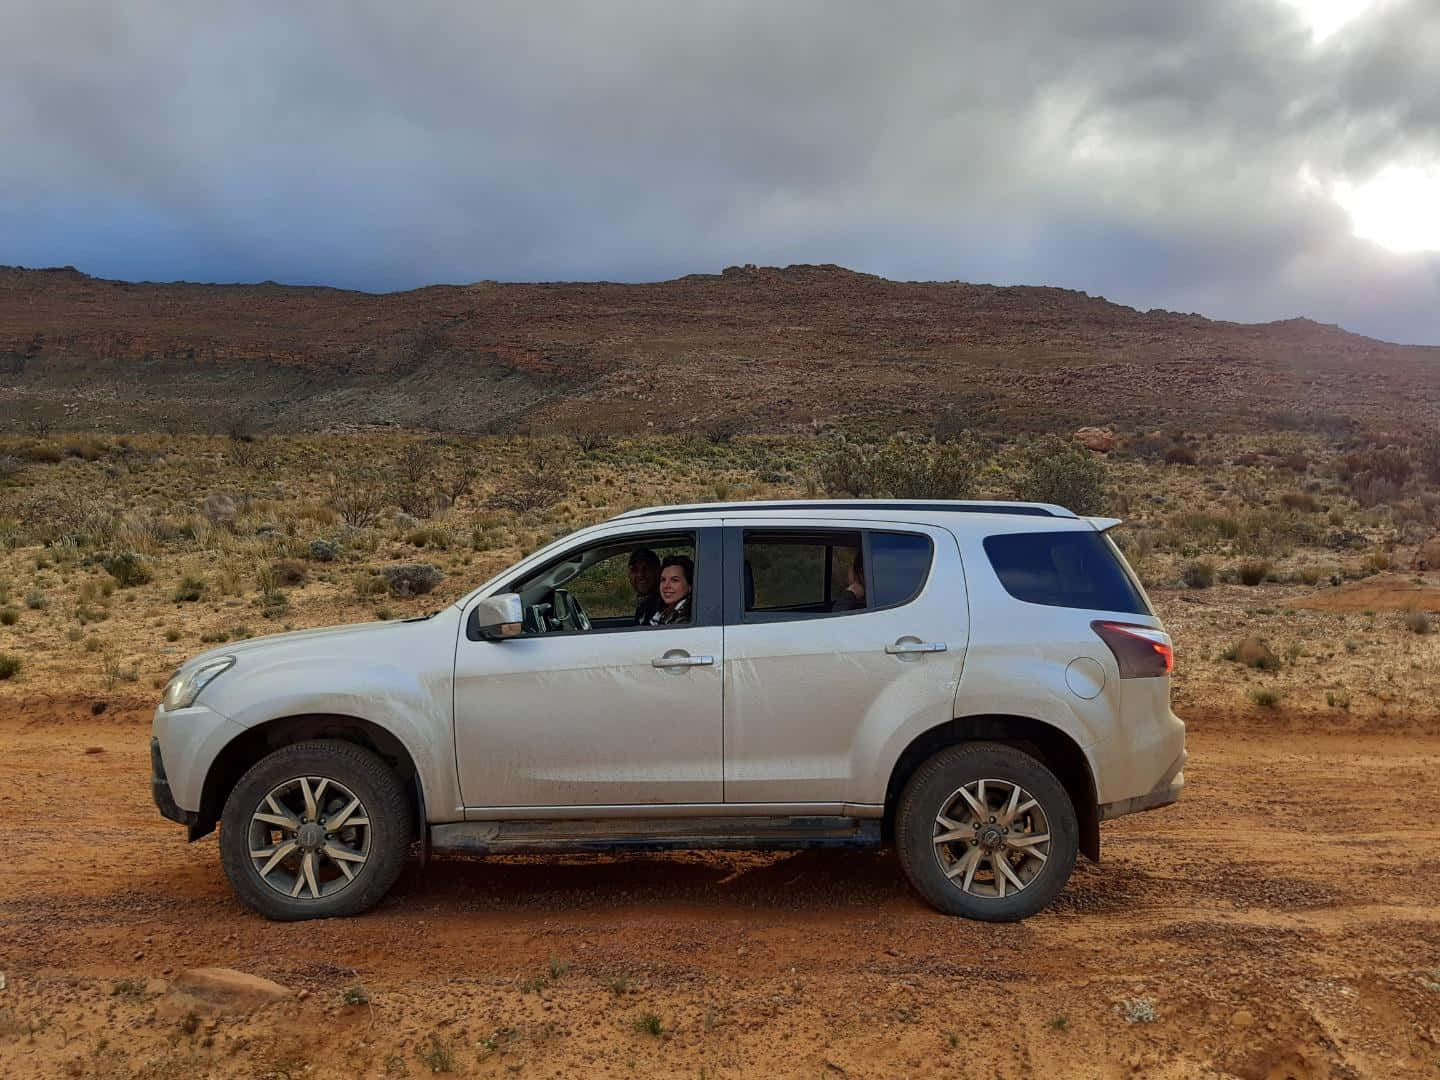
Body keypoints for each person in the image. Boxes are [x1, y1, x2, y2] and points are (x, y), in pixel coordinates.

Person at [651, 554, 694, 625]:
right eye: (663, 580)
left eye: (674, 580)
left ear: (689, 586)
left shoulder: (687, 618)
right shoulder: (662, 613)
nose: (666, 586)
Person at [628, 548, 662, 625]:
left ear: (657, 572)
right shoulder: (644, 604)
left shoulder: (662, 607)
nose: (640, 575)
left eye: (646, 569)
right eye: (635, 570)